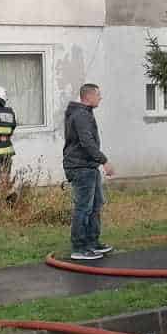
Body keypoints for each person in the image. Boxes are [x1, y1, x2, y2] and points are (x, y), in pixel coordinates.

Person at [63, 82, 114, 262]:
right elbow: (86, 142)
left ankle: (92, 242)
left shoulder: (85, 114)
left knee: (95, 205)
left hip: (89, 166)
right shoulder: (81, 116)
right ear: (88, 96)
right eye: (98, 94)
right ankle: (78, 247)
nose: (100, 98)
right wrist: (104, 160)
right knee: (83, 207)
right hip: (80, 167)